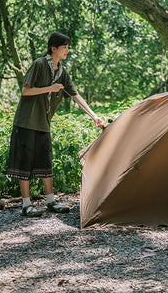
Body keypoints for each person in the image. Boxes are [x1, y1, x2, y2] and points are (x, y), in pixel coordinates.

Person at [7, 32, 104, 217]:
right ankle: (26, 205)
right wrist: (50, 89)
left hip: (43, 123)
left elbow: (75, 94)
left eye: (68, 47)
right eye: (64, 47)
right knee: (25, 164)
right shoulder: (39, 64)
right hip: (26, 122)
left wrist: (94, 116)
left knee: (45, 162)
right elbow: (25, 91)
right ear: (54, 48)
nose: (67, 50)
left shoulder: (61, 70)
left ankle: (51, 201)